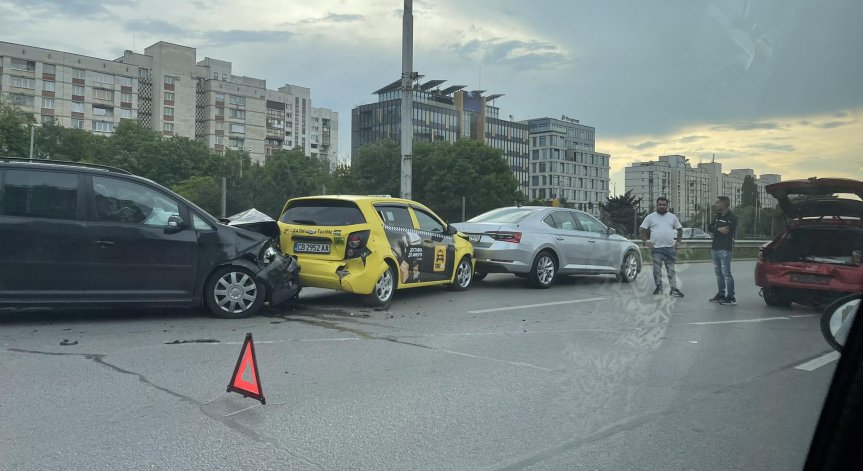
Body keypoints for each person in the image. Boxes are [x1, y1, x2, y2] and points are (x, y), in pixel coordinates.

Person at [640, 197, 684, 297]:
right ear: (656, 205)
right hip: (656, 248)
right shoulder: (650, 217)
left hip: (670, 248)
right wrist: (645, 241)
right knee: (657, 269)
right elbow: (642, 229)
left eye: (664, 205)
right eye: (660, 205)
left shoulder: (672, 217)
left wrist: (678, 241)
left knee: (671, 269)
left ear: (667, 206)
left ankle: (674, 289)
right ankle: (658, 287)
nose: (662, 206)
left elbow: (680, 229)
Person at [708, 196, 738, 305]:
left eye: (718, 203)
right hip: (715, 248)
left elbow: (727, 231)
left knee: (726, 273)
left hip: (725, 248)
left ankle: (731, 297)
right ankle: (721, 294)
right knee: (718, 273)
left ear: (724, 204)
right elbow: (709, 228)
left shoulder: (732, 217)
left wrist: (717, 229)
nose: (716, 205)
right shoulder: (717, 216)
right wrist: (718, 229)